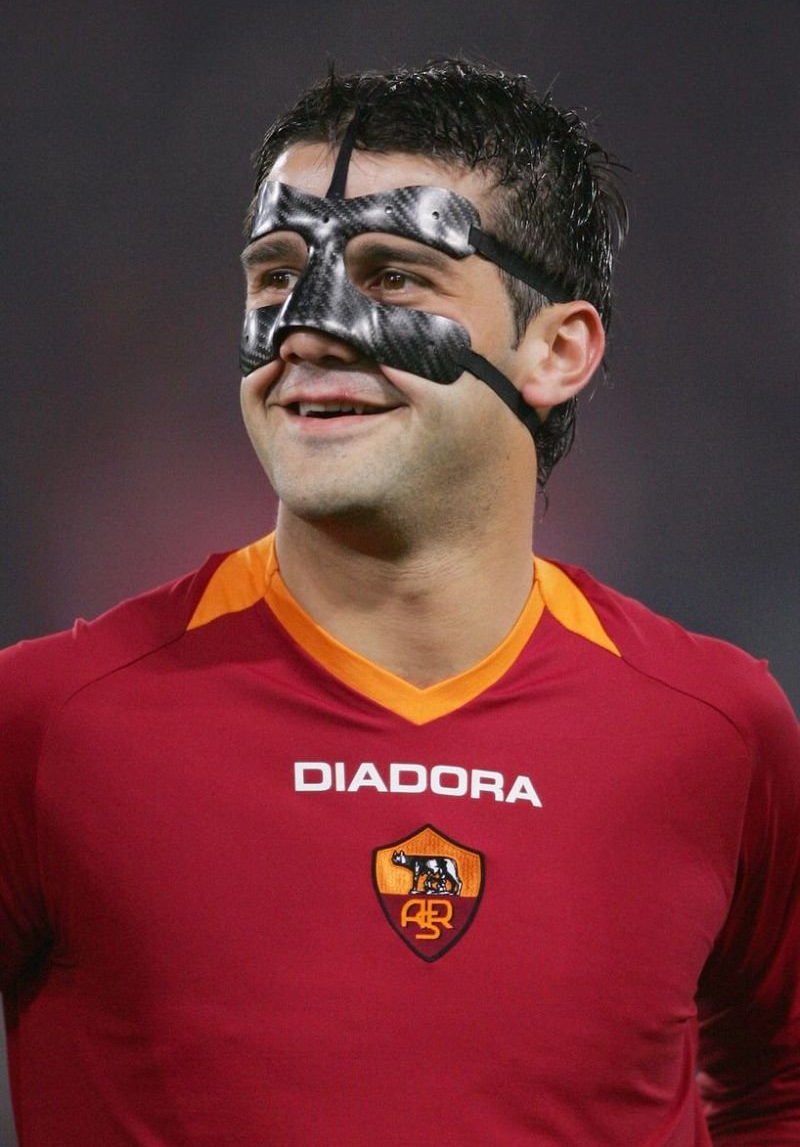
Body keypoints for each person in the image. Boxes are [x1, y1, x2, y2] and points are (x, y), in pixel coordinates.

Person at [1, 58, 798, 1146]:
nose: (306, 327)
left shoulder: (717, 730)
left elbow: (780, 1083)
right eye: (275, 275)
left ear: (556, 350)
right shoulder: (49, 726)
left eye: (394, 276)